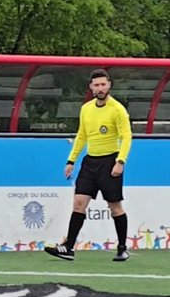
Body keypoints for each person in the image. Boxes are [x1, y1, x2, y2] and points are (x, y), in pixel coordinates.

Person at [44, 69, 133, 262]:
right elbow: (82, 135)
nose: (100, 88)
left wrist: (120, 161)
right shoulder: (86, 109)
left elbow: (126, 137)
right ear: (91, 87)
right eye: (97, 85)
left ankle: (122, 248)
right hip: (90, 162)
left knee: (115, 206)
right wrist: (71, 160)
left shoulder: (117, 109)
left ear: (109, 85)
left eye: (103, 84)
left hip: (110, 161)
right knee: (78, 203)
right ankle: (68, 247)